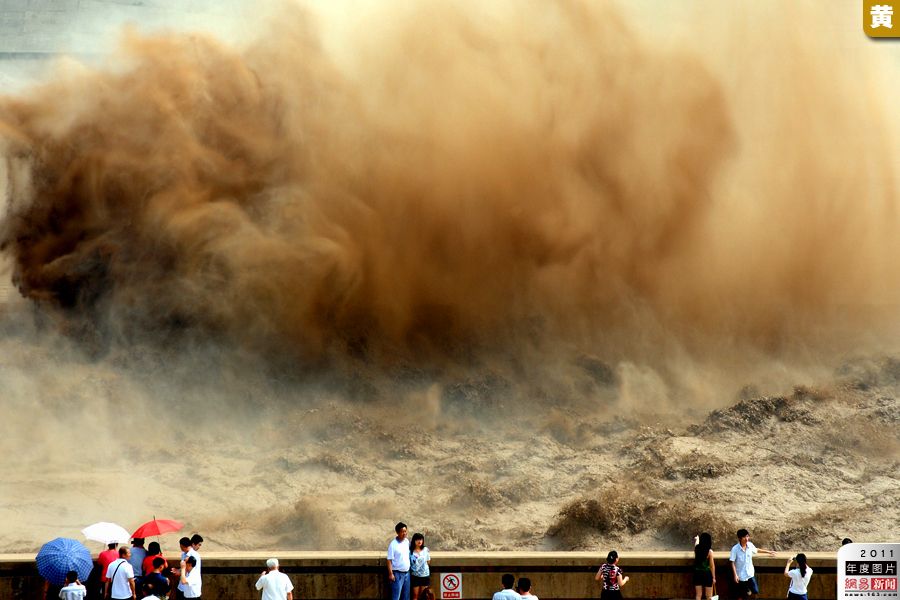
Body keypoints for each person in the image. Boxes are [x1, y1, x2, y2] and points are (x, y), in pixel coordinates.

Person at [730, 529, 775, 600]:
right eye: (744, 537)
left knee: (755, 590)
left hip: (750, 573)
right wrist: (735, 575)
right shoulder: (735, 549)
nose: (746, 539)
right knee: (744, 595)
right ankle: (747, 590)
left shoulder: (750, 545)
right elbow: (732, 562)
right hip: (741, 575)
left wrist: (769, 552)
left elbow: (757, 550)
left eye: (747, 536)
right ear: (739, 538)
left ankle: (749, 590)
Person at [387, 522, 411, 600]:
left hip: (407, 573)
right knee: (396, 597)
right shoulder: (393, 545)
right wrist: (391, 574)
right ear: (397, 532)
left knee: (406, 596)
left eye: (405, 531)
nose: (404, 533)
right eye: (402, 531)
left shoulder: (406, 541)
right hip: (397, 574)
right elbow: (389, 560)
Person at [693, 533, 716, 600]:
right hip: (707, 574)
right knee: (709, 596)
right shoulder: (709, 552)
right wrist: (714, 577)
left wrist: (697, 538)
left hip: (697, 573)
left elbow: (696, 543)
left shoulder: (696, 549)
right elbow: (712, 566)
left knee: (698, 595)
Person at [410, 533, 431, 600]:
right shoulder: (410, 551)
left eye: (421, 540)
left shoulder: (425, 550)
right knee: (415, 596)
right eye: (417, 540)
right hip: (415, 576)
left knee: (424, 596)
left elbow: (428, 561)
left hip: (425, 575)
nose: (419, 541)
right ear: (414, 541)